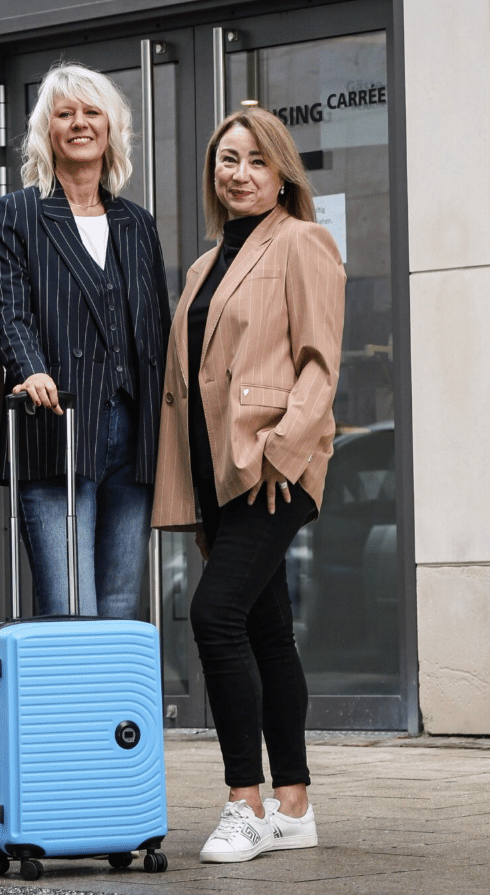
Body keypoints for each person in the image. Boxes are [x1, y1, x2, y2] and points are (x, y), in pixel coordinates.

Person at [151, 108, 345, 864]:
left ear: (282, 171)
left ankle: (246, 801)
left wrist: (280, 450)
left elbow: (319, 362)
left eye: (256, 161)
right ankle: (295, 805)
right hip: (222, 474)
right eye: (227, 160)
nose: (239, 173)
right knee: (265, 627)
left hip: (273, 466)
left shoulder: (303, 241)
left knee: (213, 614)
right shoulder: (205, 267)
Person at [0, 63, 170, 617]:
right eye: (65, 114)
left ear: (111, 128)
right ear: (48, 130)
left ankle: (110, 709)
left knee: (118, 602)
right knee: (71, 604)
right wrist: (30, 367)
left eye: (92, 113)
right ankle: (70, 707)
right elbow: (6, 310)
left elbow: (155, 329)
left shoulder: (138, 223)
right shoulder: (14, 214)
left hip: (133, 434)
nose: (80, 124)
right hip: (55, 424)